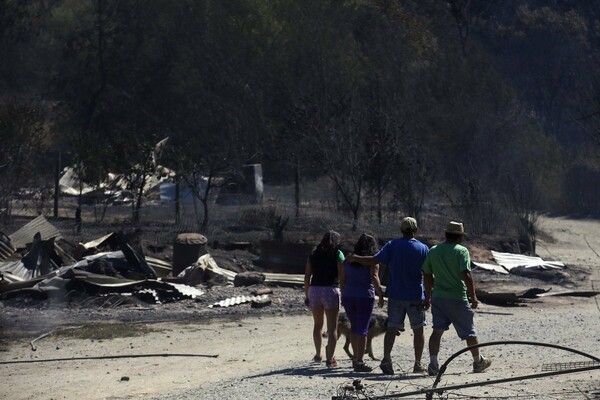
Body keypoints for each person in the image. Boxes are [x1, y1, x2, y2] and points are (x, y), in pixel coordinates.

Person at [346, 217, 429, 375]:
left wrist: (356, 258)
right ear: (416, 231)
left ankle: (386, 359)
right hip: (415, 295)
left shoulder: (392, 246)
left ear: (401, 230)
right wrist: (429, 296)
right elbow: (428, 272)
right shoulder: (423, 249)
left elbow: (374, 259)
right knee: (418, 330)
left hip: (395, 294)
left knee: (391, 329)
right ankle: (417, 364)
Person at [422, 221, 491, 376]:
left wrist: (428, 296)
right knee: (469, 332)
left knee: (437, 331)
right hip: (457, 297)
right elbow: (466, 275)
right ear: (460, 236)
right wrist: (473, 296)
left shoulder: (434, 251)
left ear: (446, 234)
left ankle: (433, 364)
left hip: (438, 297)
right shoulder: (461, 251)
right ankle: (477, 361)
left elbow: (426, 274)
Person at [340, 233, 382, 372]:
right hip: (364, 296)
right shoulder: (373, 261)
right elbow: (374, 277)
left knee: (354, 327)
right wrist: (380, 294)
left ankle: (355, 359)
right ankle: (359, 360)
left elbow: (342, 281)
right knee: (363, 329)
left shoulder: (347, 261)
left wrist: (342, 295)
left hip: (349, 296)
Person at [304, 230, 345, 368]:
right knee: (332, 327)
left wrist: (307, 294)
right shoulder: (338, 254)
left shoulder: (313, 254)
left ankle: (318, 354)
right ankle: (330, 359)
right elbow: (342, 275)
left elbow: (307, 276)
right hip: (331, 290)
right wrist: (343, 291)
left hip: (315, 290)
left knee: (317, 325)